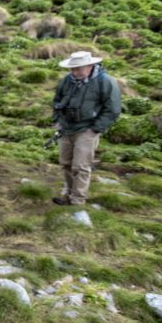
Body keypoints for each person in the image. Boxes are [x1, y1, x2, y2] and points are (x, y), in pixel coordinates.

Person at [51, 50, 122, 206]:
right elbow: (57, 100)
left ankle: (77, 200)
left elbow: (113, 109)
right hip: (66, 128)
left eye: (78, 68)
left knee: (81, 166)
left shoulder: (105, 82)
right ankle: (68, 194)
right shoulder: (67, 80)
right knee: (66, 163)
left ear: (90, 65)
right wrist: (57, 120)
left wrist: (95, 129)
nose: (74, 72)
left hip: (87, 129)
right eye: (72, 69)